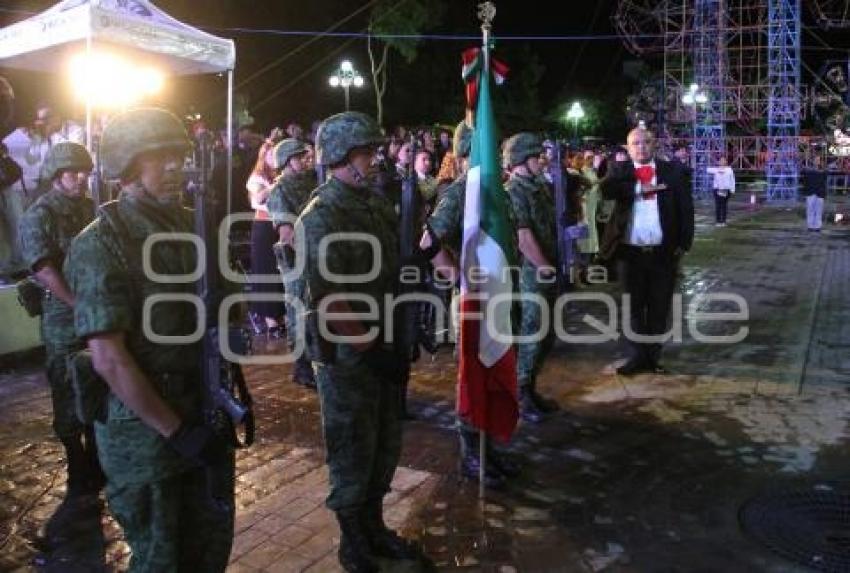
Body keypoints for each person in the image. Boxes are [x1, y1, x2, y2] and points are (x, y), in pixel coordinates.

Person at [64, 108, 234, 572]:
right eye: (161, 158)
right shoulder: (103, 241)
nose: (177, 167)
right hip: (145, 436)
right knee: (162, 558)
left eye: (179, 156)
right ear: (127, 165)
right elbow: (109, 358)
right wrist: (176, 431)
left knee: (210, 548)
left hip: (202, 410)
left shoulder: (191, 224)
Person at [298, 111, 422, 572]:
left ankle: (374, 526)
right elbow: (329, 299)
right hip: (349, 354)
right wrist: (372, 350)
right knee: (354, 447)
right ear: (344, 158)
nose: (376, 160)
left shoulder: (372, 205)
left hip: (381, 343)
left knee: (384, 443)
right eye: (368, 152)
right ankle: (354, 543)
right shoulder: (322, 214)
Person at [419, 119, 520, 489]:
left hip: (500, 295)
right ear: (468, 156)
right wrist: (461, 280)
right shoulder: (463, 192)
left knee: (495, 368)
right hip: (476, 302)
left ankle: (490, 447)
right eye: (488, 149)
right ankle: (471, 453)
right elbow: (428, 243)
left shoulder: (498, 190)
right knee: (474, 374)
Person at [18, 142, 103, 539]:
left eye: (85, 171)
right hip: (63, 316)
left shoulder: (89, 208)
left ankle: (98, 464)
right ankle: (78, 471)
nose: (82, 178)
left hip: (94, 310)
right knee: (68, 392)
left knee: (99, 384)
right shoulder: (40, 214)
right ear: (56, 175)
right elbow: (44, 268)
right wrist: (78, 304)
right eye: (74, 172)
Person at [599, 127, 694, 376]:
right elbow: (607, 190)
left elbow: (686, 208)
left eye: (646, 142)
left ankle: (653, 357)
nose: (641, 147)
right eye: (635, 143)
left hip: (663, 252)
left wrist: (684, 244)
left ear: (655, 145)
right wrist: (641, 190)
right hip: (630, 253)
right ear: (628, 148)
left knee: (659, 307)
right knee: (632, 306)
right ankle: (636, 356)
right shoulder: (619, 171)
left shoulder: (672, 171)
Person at [503, 133, 561, 423]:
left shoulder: (539, 187)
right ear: (523, 160)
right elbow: (524, 238)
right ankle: (521, 393)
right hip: (531, 273)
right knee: (532, 333)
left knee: (547, 333)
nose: (543, 160)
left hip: (546, 268)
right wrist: (545, 266)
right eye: (538, 156)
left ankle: (530, 386)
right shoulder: (515, 190)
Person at [267, 138, 318, 388]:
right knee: (298, 312)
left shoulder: (310, 182)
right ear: (286, 162)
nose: (304, 161)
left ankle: (314, 361)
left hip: (315, 254)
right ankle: (302, 365)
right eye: (299, 158)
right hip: (296, 259)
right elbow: (286, 233)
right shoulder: (280, 190)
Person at [246, 136, 286, 336]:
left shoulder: (278, 174)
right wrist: (275, 185)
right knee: (266, 271)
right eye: (271, 153)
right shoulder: (256, 177)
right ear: (264, 156)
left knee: (279, 272)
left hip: (278, 224)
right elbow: (258, 199)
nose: (274, 157)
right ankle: (270, 320)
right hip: (263, 226)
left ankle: (280, 315)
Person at [706, 156, 735, 226]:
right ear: (719, 162)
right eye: (721, 160)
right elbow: (707, 170)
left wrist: (732, 190)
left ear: (726, 162)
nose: (722, 162)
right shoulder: (716, 169)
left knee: (724, 206)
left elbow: (732, 180)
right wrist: (718, 169)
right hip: (717, 189)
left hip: (726, 190)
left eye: (723, 160)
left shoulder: (729, 170)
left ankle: (723, 221)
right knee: (718, 206)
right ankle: (718, 221)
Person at [802, 155, 827, 232]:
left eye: (818, 160)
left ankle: (817, 226)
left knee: (818, 210)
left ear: (820, 161)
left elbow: (824, 180)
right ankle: (810, 226)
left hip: (820, 193)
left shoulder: (823, 171)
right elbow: (805, 181)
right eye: (816, 160)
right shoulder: (808, 170)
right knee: (810, 210)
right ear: (813, 161)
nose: (817, 161)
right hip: (810, 192)